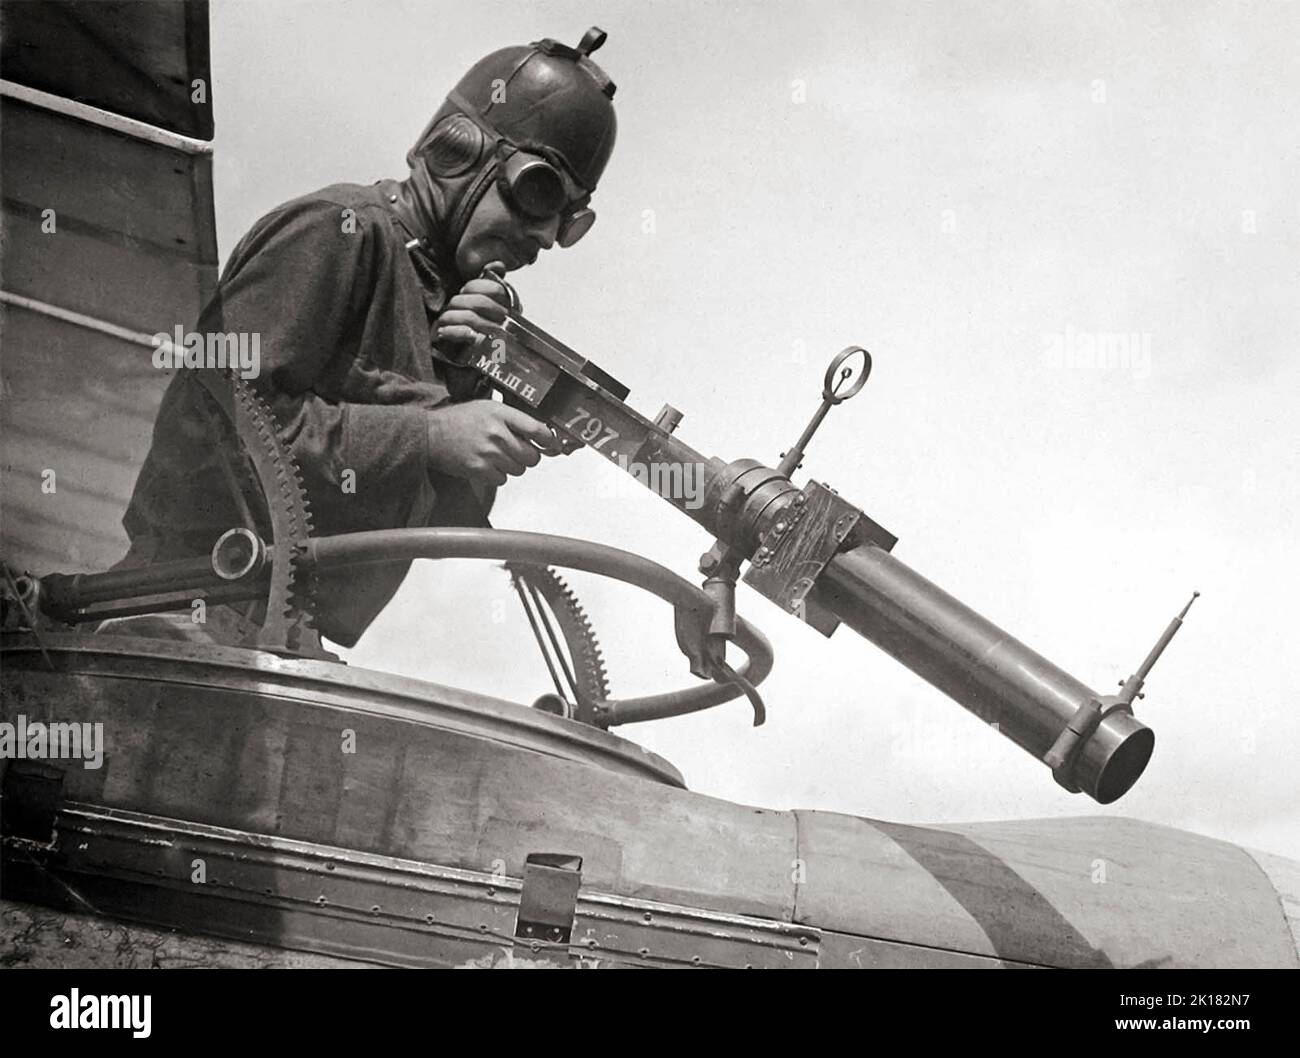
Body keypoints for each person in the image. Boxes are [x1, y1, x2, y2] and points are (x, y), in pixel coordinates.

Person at [101, 28, 618, 649]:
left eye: (567, 220)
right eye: (538, 196)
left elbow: (443, 525)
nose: (543, 234)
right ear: (459, 150)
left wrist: (471, 388)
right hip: (181, 616)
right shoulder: (336, 231)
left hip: (280, 639)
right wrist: (431, 434)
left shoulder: (449, 308)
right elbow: (218, 425)